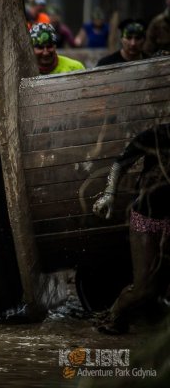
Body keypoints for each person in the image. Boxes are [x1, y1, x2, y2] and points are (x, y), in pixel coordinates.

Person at [92, 123, 170, 334]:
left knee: (160, 288)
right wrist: (110, 193)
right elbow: (120, 164)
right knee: (144, 288)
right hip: (147, 217)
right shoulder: (157, 134)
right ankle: (112, 316)